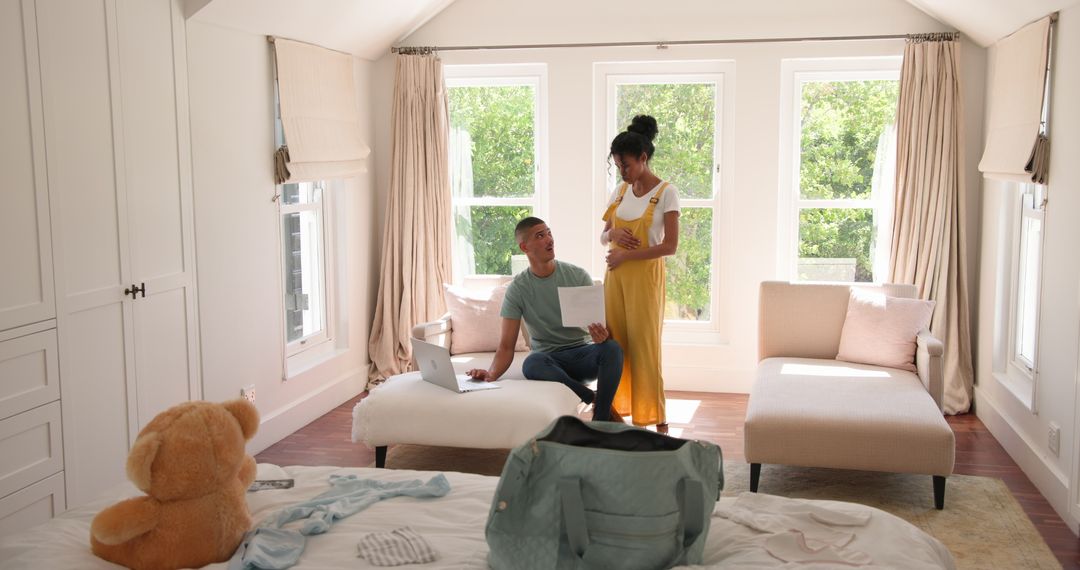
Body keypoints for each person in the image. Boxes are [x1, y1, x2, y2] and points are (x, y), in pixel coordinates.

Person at [465, 217, 624, 422]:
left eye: (549, 233)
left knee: (612, 349)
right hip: (549, 361)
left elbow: (602, 328)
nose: (549, 239)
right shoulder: (518, 289)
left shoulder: (577, 275)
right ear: (524, 247)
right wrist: (491, 374)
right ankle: (589, 396)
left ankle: (601, 419)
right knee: (532, 362)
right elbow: (506, 346)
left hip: (583, 355)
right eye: (540, 236)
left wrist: (601, 336)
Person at [601, 115, 680, 431]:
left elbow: (670, 246)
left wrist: (626, 254)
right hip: (615, 277)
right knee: (615, 344)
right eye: (618, 165)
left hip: (645, 280)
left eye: (627, 165)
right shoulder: (620, 191)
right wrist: (613, 235)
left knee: (645, 346)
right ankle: (617, 413)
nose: (623, 171)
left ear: (643, 158)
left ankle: (655, 416)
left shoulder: (666, 193)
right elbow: (603, 236)